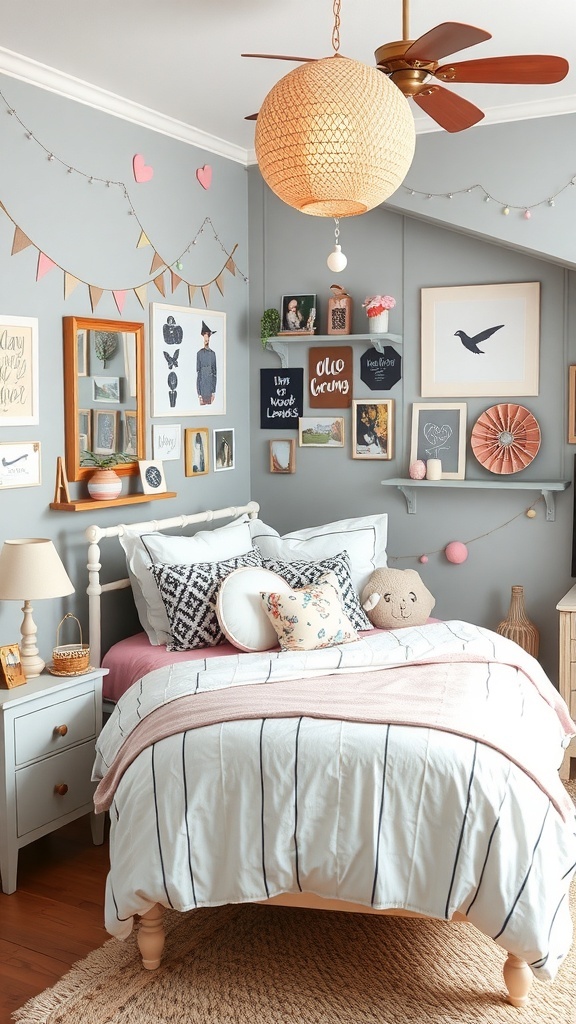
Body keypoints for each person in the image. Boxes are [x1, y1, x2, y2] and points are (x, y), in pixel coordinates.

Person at [196, 321, 217, 405]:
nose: (206, 340)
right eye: (205, 338)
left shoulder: (212, 354)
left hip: (210, 387)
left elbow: (215, 374)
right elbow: (198, 373)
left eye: (207, 337)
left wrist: (213, 392)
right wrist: (199, 394)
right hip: (202, 387)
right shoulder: (199, 353)